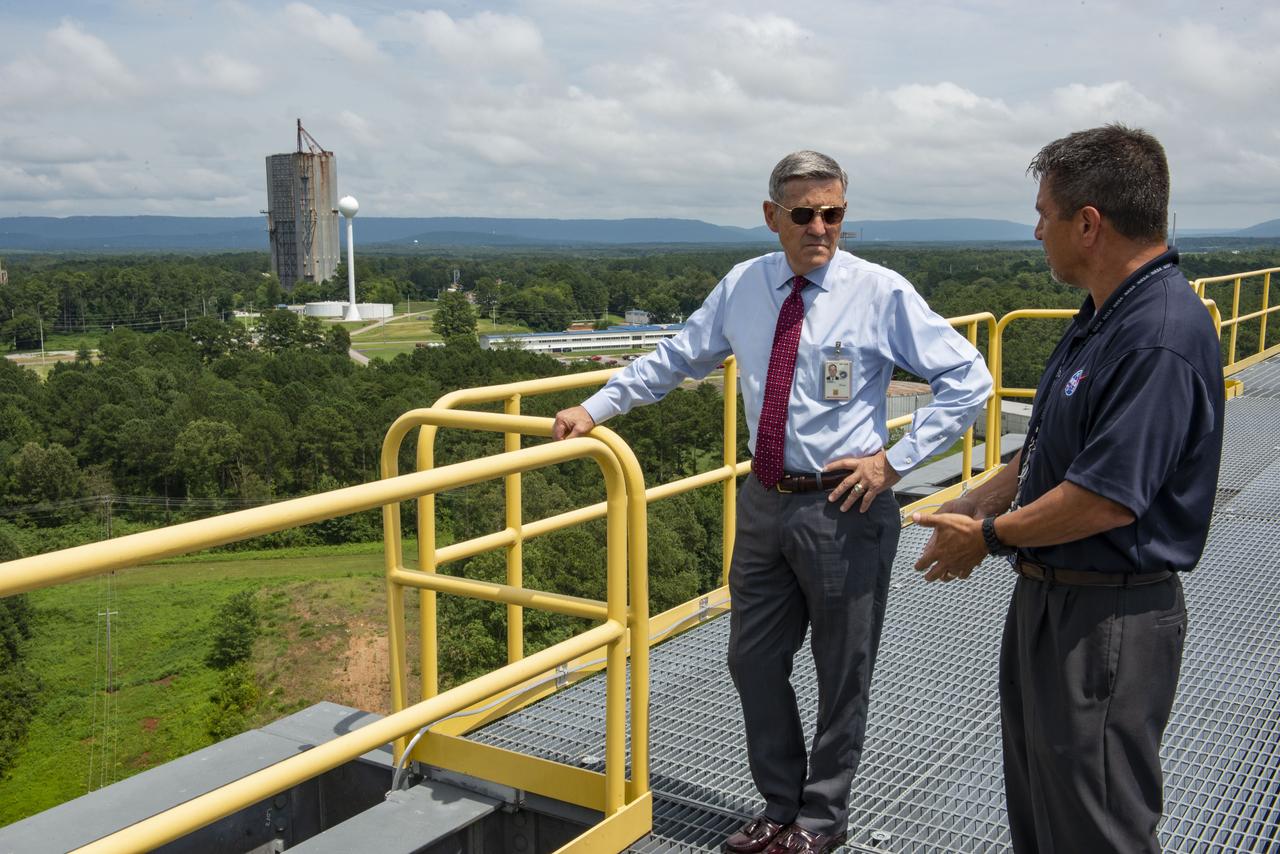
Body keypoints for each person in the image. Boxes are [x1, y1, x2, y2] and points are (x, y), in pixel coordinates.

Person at [553, 151, 992, 854]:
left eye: (834, 213)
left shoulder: (877, 292)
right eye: (804, 214)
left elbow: (970, 380)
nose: (820, 227)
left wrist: (896, 461)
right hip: (765, 498)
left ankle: (820, 819)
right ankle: (778, 804)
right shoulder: (745, 286)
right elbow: (677, 359)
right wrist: (597, 406)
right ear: (771, 217)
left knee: (841, 670)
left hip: (844, 505)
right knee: (751, 660)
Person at [913, 125, 1225, 852]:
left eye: (1044, 213)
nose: (1035, 230)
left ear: (1088, 224)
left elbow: (1107, 497)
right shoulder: (1106, 314)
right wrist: (983, 497)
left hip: (1108, 617)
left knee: (1097, 825)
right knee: (1047, 816)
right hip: (1056, 600)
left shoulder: (1158, 333)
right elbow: (1059, 438)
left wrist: (985, 538)